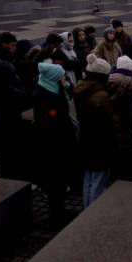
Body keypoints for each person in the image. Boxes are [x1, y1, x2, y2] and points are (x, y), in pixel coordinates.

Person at [32, 62, 77, 226]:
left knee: (59, 181)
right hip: (53, 147)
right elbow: (53, 123)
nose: (64, 78)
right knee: (54, 181)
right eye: (62, 76)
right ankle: (56, 215)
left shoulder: (51, 87)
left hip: (57, 144)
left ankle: (60, 210)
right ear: (54, 78)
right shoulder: (47, 96)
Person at [0, 32, 31, 180]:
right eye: (12, 45)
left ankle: (11, 173)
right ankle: (11, 175)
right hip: (8, 109)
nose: (14, 48)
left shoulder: (1, 61)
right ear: (4, 45)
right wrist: (24, 96)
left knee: (11, 144)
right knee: (10, 145)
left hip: (7, 108)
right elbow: (7, 89)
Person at [74, 54, 115, 208]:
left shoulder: (80, 87)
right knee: (98, 181)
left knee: (88, 179)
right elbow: (107, 124)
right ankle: (93, 212)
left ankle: (86, 207)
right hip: (99, 144)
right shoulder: (101, 96)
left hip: (85, 139)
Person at [107, 55, 132, 182]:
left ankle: (114, 176)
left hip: (112, 124)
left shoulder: (108, 79)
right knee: (127, 154)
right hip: (127, 125)